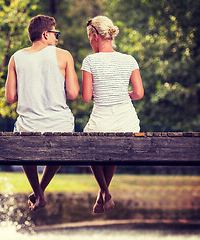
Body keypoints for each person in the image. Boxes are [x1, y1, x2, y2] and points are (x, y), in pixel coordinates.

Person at [5, 15, 79, 211]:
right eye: (55, 34)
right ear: (45, 34)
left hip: (28, 127)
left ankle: (38, 192)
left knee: (21, 137)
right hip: (60, 125)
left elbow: (11, 97)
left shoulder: (16, 58)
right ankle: (41, 190)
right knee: (61, 144)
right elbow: (72, 93)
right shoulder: (64, 56)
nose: (57, 38)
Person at [81, 16, 144, 213]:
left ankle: (104, 192)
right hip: (128, 122)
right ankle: (104, 195)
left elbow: (85, 97)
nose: (90, 42)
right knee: (114, 146)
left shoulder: (90, 60)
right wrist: (122, 94)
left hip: (102, 120)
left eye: (90, 38)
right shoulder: (129, 60)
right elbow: (139, 93)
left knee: (89, 145)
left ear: (96, 36)